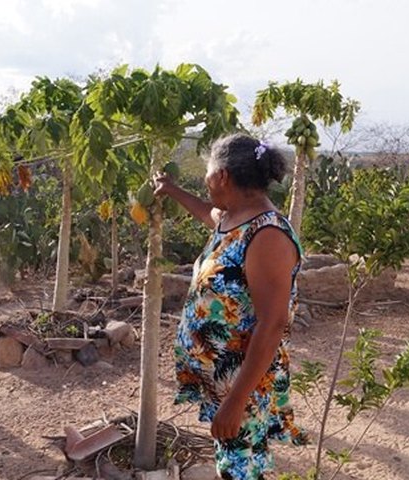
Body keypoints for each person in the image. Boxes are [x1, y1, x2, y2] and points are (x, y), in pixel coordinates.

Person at [154, 133, 307, 480]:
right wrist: (171, 190)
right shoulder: (233, 219)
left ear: (222, 176)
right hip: (224, 381)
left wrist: (236, 401)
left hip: (244, 386)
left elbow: (273, 323)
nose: (205, 182)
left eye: (207, 174)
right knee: (234, 467)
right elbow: (205, 212)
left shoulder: (267, 235)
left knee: (241, 471)